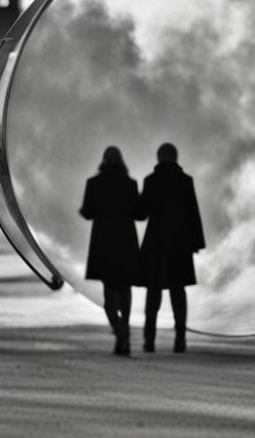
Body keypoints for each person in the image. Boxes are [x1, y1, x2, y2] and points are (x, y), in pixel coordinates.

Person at [136, 142, 205, 353]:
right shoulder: (186, 181)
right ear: (176, 158)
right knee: (178, 291)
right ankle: (180, 340)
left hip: (155, 243)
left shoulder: (151, 181)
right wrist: (196, 243)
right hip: (180, 244)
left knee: (153, 292)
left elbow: (141, 214)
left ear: (159, 158)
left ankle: (149, 341)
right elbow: (193, 213)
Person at [80, 146, 141, 356]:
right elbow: (140, 214)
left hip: (103, 242)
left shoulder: (93, 183)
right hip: (126, 241)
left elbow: (87, 213)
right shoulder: (130, 184)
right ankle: (124, 326)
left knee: (109, 290)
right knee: (125, 287)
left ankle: (118, 330)